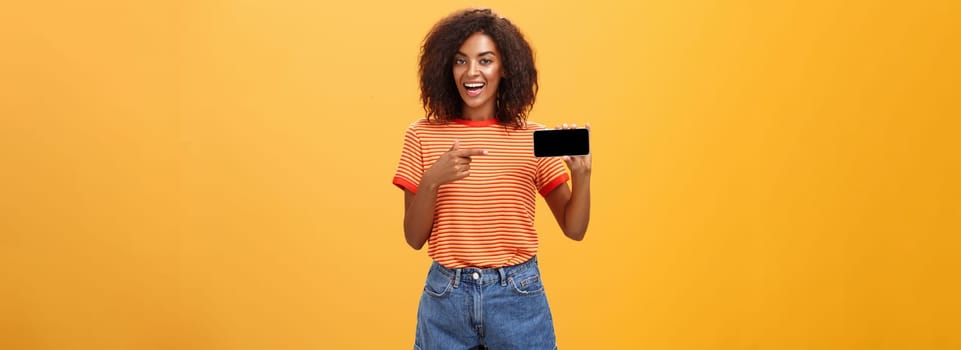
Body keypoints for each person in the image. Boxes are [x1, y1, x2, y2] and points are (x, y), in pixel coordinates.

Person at [392, 8, 592, 350]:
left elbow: (574, 229)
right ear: (446, 67)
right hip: (446, 298)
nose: (471, 72)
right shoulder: (422, 135)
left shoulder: (531, 138)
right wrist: (431, 181)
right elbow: (413, 238)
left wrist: (582, 176)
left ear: (505, 69)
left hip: (518, 295)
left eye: (485, 60)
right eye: (460, 61)